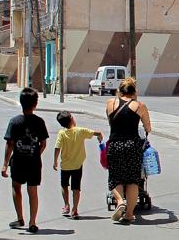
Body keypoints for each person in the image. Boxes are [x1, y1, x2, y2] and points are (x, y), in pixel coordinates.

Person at [2, 88, 49, 233]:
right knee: (33, 191)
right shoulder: (39, 122)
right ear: (35, 104)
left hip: (18, 162)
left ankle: (19, 217)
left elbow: (9, 144)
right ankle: (32, 222)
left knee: (16, 187)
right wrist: (35, 154)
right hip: (34, 163)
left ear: (20, 103)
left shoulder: (14, 122)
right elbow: (43, 144)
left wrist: (5, 164)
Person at [105, 77, 151, 225]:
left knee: (115, 177)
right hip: (132, 145)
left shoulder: (110, 104)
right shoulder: (140, 106)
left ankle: (119, 202)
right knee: (132, 180)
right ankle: (129, 214)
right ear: (134, 91)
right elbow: (148, 127)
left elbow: (111, 123)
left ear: (119, 90)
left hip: (115, 144)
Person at [52, 111, 102, 220]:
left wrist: (55, 161)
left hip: (65, 165)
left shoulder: (62, 133)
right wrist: (100, 136)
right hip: (77, 165)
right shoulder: (80, 131)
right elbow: (96, 133)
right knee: (76, 188)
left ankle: (66, 205)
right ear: (71, 119)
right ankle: (74, 209)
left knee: (64, 185)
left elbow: (57, 147)